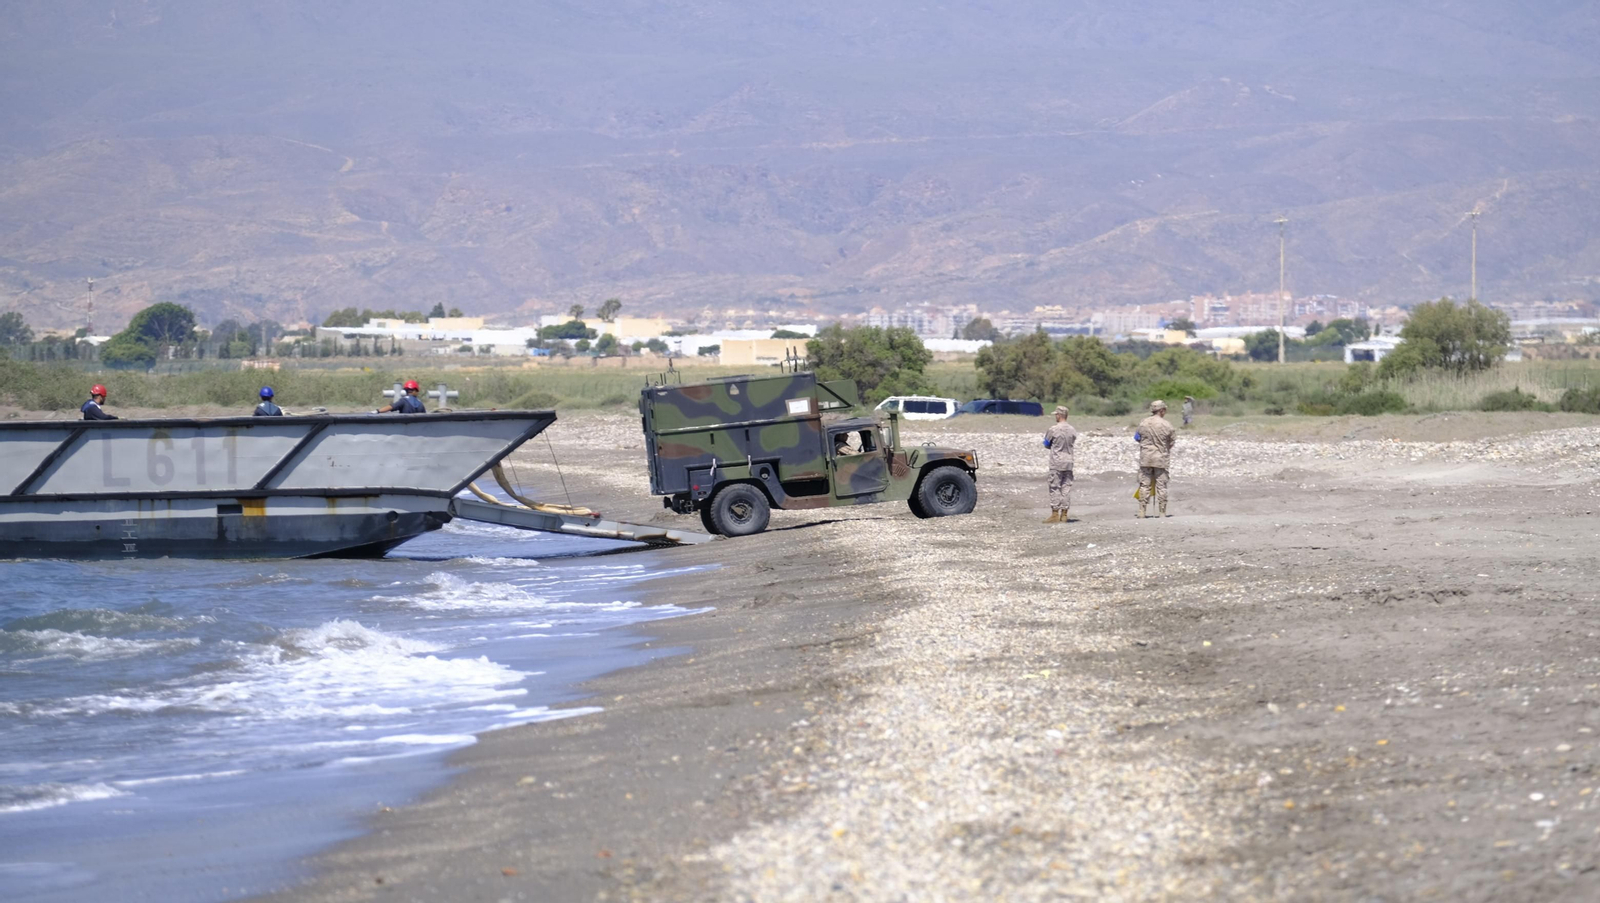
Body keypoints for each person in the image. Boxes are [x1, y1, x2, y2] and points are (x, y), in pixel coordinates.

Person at [1135, 399, 1177, 518]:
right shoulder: (1167, 425)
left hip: (1146, 458)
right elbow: (1172, 442)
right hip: (1161, 459)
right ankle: (1162, 512)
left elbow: (1137, 437)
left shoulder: (1143, 423)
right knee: (1162, 486)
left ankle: (1142, 511)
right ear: (1162, 410)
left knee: (1144, 485)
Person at [1042, 405, 1077, 524]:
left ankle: (1055, 513)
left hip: (1056, 462)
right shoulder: (1072, 429)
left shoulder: (1053, 429)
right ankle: (1065, 514)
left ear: (1059, 415)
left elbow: (1046, 443)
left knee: (1055, 487)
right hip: (1069, 462)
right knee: (1066, 488)